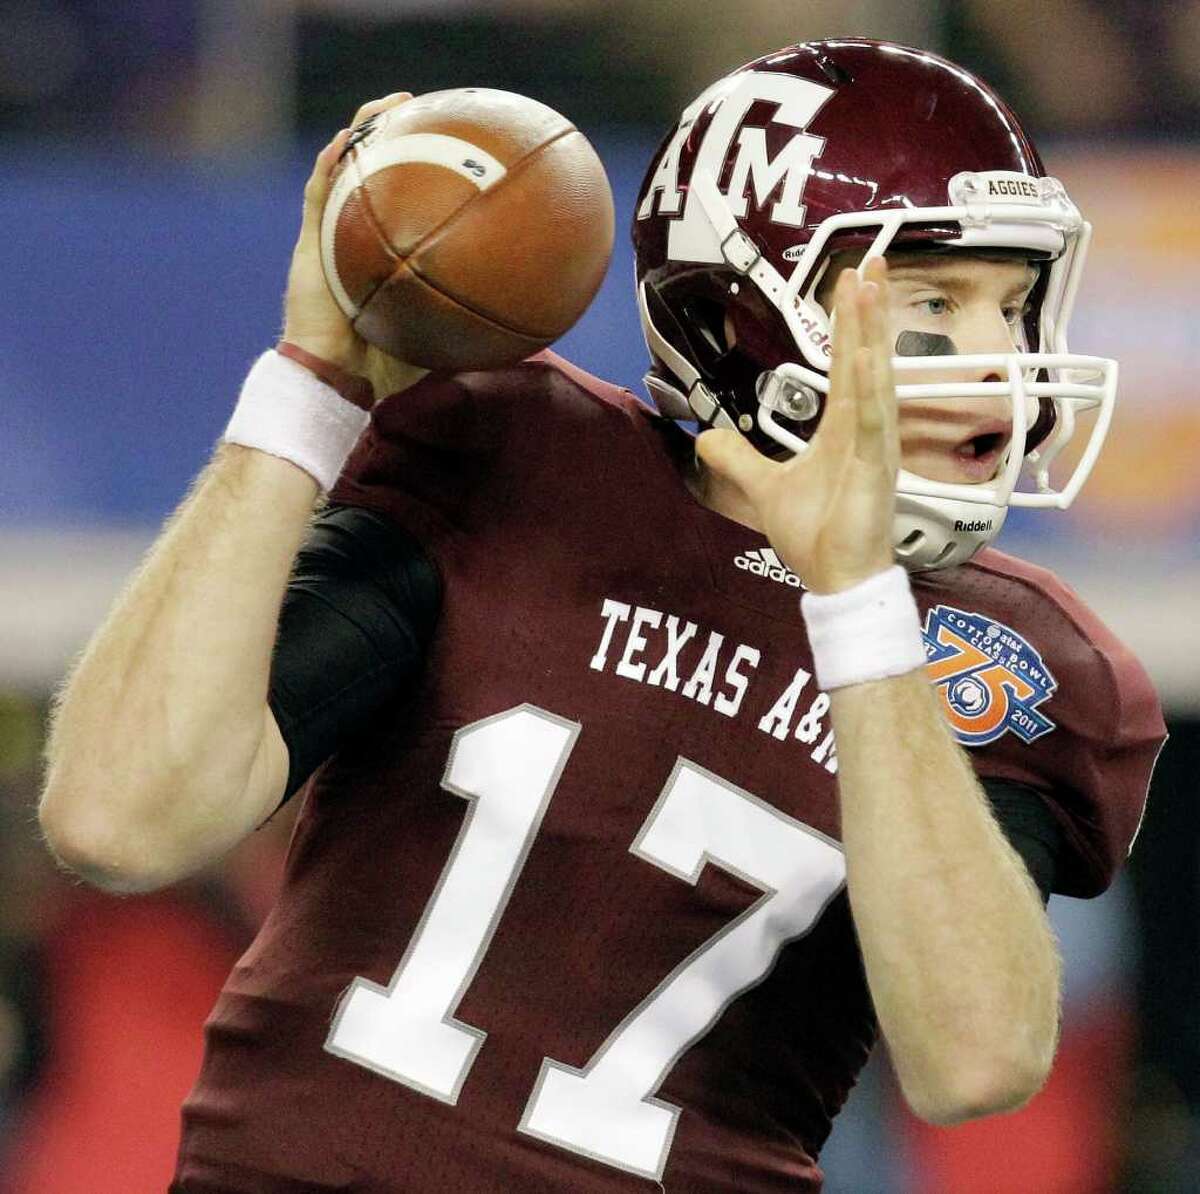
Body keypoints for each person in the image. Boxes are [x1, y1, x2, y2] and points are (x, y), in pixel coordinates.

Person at [38, 39, 1164, 1192]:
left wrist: (859, 605)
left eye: (1014, 303)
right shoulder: (520, 457)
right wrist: (309, 388)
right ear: (743, 313)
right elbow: (118, 819)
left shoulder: (1015, 657)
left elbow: (975, 1062)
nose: (997, 361)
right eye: (934, 302)